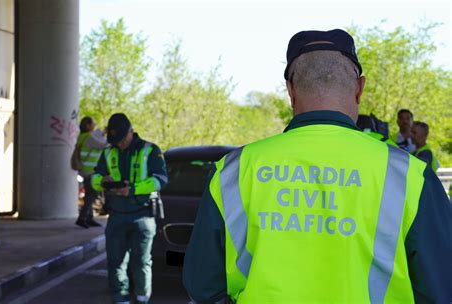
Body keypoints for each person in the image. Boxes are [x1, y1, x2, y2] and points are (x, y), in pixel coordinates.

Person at [183, 29, 452, 303]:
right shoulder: (410, 176)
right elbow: (440, 287)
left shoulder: (233, 172)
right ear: (359, 88)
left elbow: (203, 285)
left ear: (290, 91)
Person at [91, 113, 168, 304]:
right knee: (115, 262)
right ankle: (120, 299)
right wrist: (103, 181)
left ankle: (142, 299)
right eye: (114, 140)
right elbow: (93, 179)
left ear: (130, 132)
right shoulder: (109, 152)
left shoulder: (150, 150)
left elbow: (161, 180)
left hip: (142, 216)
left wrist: (132, 190)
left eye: (121, 139)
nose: (118, 144)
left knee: (141, 262)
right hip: (116, 215)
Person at [75, 116, 107, 228]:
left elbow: (97, 140)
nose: (95, 125)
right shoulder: (88, 137)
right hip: (90, 170)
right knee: (91, 195)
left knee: (90, 194)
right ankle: (83, 218)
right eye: (93, 123)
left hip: (85, 169)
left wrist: (102, 133)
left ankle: (89, 218)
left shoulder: (82, 137)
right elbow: (103, 145)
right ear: (87, 125)